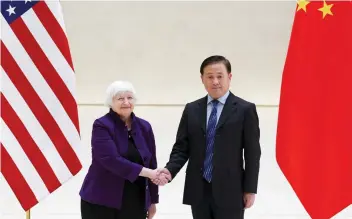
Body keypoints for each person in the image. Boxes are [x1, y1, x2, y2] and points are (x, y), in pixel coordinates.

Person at [154, 55, 261, 219]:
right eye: (210, 77)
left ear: (229, 77)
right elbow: (182, 148)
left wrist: (250, 189)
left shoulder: (245, 109)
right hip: (198, 190)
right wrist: (169, 170)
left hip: (231, 191)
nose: (215, 81)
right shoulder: (192, 110)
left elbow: (253, 154)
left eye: (220, 76)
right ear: (202, 79)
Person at [79, 80, 165, 219]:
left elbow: (151, 163)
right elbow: (111, 160)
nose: (126, 102)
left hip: (135, 201)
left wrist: (152, 201)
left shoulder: (144, 127)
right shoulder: (102, 125)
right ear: (111, 102)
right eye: (120, 98)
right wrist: (149, 173)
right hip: (101, 200)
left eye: (129, 98)